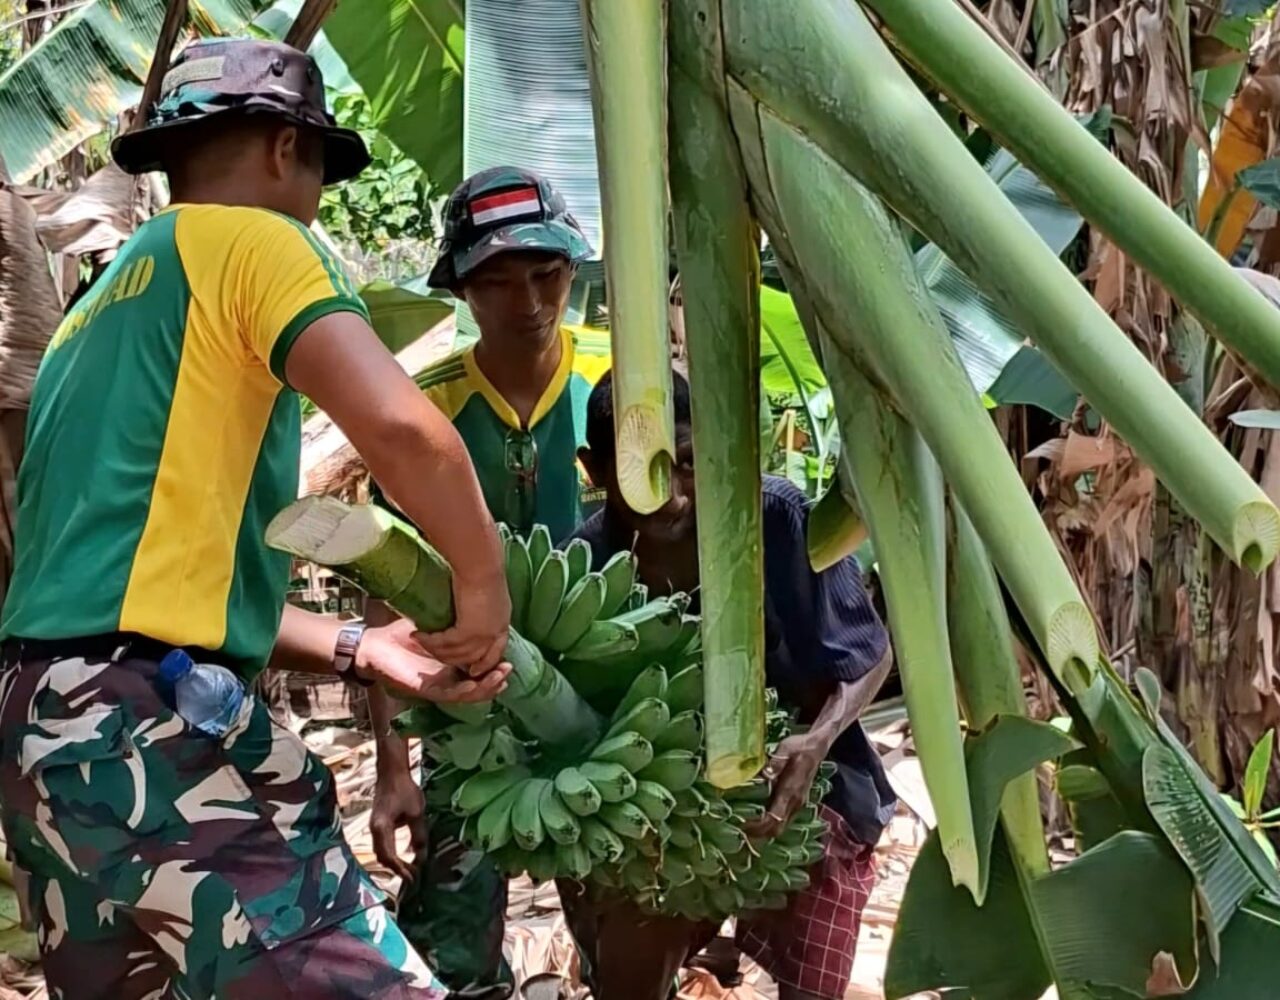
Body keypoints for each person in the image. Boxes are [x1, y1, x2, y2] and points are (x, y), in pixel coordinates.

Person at [0, 39, 513, 1000]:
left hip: (48, 737)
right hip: (146, 731)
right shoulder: (257, 242)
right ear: (286, 149)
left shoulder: (93, 315)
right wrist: (483, 591)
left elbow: (135, 592)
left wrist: (360, 648)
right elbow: (407, 432)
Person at [561, 369, 895, 1000]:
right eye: (641, 470)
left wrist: (817, 739)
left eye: (687, 463)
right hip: (657, 812)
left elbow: (870, 653)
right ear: (594, 470)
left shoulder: (778, 515)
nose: (674, 496)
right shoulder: (586, 566)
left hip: (806, 787)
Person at [365, 167, 605, 998]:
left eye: (548, 275)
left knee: (625, 925)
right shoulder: (421, 413)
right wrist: (393, 763)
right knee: (450, 944)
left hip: (609, 704)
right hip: (463, 703)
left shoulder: (623, 386)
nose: (530, 301)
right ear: (464, 291)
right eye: (498, 282)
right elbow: (381, 591)